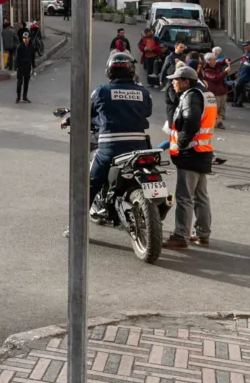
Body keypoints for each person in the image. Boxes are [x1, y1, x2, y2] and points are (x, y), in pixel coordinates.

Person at [89, 52, 153, 213]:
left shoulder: (101, 91)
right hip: (140, 147)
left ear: (109, 71)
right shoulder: (143, 92)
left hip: (110, 148)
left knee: (90, 183)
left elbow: (87, 112)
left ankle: (75, 224)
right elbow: (147, 112)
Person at [162, 65, 217, 250]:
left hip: (191, 153)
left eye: (176, 80)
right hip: (203, 152)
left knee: (185, 197)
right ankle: (203, 235)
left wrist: (182, 143)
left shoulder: (191, 96)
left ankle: (180, 236)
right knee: (201, 196)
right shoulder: (205, 93)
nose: (173, 83)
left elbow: (191, 121)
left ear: (186, 81)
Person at [202, 53, 229, 130]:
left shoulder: (217, 65)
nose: (215, 61)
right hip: (215, 92)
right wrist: (225, 72)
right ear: (209, 61)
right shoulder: (207, 70)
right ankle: (212, 122)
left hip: (222, 90)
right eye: (213, 59)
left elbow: (222, 61)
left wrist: (226, 60)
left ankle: (219, 122)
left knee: (221, 108)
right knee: (215, 108)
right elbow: (216, 78)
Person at [14, 31, 38, 104]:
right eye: (24, 38)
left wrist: (33, 66)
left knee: (26, 83)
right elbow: (16, 57)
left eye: (26, 38)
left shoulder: (31, 47)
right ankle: (18, 97)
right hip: (21, 67)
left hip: (27, 67)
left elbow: (33, 57)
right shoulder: (20, 47)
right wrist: (16, 66)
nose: (25, 40)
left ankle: (24, 97)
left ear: (29, 39)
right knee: (19, 83)